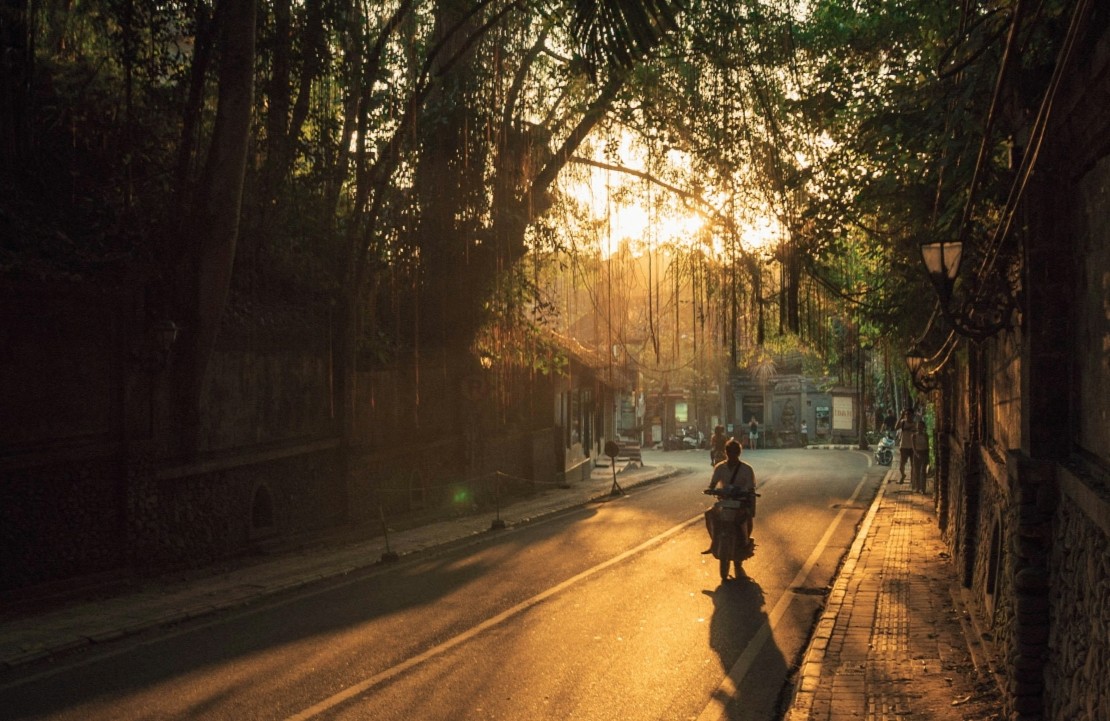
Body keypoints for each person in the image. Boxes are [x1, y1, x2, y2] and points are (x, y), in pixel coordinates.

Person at [702, 438, 756, 554]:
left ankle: (745, 541)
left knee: (747, 516)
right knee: (709, 514)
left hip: (741, 502)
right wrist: (711, 490)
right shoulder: (720, 468)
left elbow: (751, 488)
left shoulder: (746, 469)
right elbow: (712, 484)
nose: (732, 455)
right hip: (724, 502)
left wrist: (745, 493)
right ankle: (714, 541)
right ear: (726, 453)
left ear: (738, 453)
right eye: (730, 452)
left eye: (734, 453)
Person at [895, 409, 916, 482]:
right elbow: (896, 427)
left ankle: (912, 479)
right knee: (901, 465)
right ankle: (903, 475)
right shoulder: (903, 422)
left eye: (909, 414)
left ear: (912, 415)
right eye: (906, 414)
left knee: (913, 464)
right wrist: (901, 417)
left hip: (912, 447)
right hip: (903, 446)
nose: (907, 416)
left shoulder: (915, 424)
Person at [911, 419, 929, 493]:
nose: (919, 428)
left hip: (924, 453)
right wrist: (916, 454)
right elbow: (913, 447)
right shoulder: (914, 436)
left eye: (921, 426)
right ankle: (918, 487)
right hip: (917, 454)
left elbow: (927, 446)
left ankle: (923, 488)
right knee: (917, 471)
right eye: (918, 426)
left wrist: (927, 456)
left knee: (923, 472)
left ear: (923, 427)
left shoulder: (926, 435)